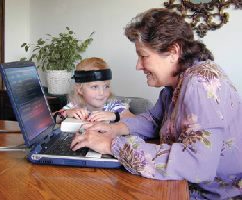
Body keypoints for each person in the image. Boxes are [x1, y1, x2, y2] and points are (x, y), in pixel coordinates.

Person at [70, 8, 242, 199]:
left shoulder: (201, 84)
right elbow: (154, 120)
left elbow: (197, 163)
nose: (138, 66)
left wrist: (112, 145)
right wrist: (115, 129)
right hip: (187, 187)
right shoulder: (175, 85)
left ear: (173, 52)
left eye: (143, 56)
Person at [56, 57, 134, 123]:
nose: (102, 92)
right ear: (80, 90)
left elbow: (136, 121)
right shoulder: (75, 106)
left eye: (106, 86)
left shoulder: (113, 106)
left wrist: (115, 116)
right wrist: (67, 113)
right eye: (95, 87)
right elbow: (53, 119)